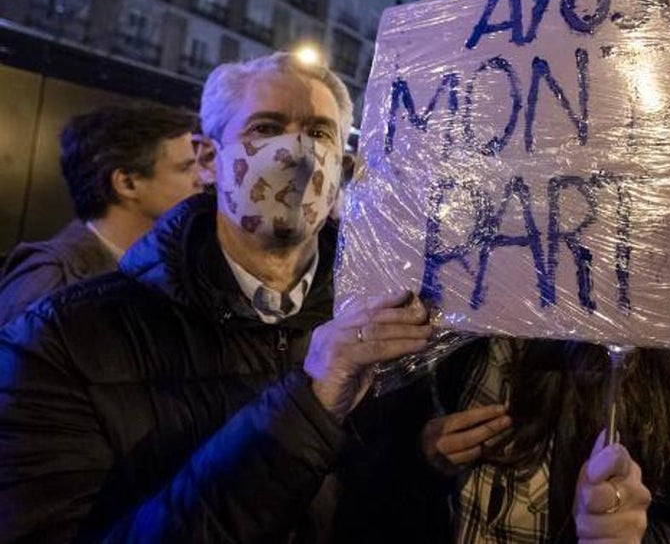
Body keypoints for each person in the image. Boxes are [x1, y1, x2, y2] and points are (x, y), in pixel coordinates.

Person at [0, 53, 433, 540]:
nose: (295, 153)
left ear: (343, 168)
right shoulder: (62, 340)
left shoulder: (381, 322)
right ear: (209, 160)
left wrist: (423, 457)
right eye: (266, 128)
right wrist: (308, 407)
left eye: (318, 133)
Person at [359, 336, 670, 543]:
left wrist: (629, 537)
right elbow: (373, 486)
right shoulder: (456, 321)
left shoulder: (666, 350)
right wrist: (421, 458)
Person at [0, 103, 202, 326]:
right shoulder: (50, 278)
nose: (200, 179)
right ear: (126, 183)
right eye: (185, 168)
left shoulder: (164, 271)